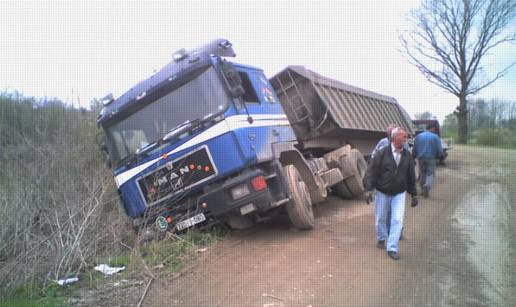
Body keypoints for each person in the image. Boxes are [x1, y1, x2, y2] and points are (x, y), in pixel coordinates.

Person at [364, 127, 418, 260]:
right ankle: (382, 238)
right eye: (403, 137)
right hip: (382, 191)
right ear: (394, 138)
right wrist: (368, 189)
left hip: (399, 193)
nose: (405, 140)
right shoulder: (382, 154)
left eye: (406, 137)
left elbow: (411, 175)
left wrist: (414, 193)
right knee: (381, 218)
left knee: (397, 220)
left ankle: (392, 247)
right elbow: (371, 172)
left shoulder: (408, 156)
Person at [413, 123, 444, 198]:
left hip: (420, 158)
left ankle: (422, 190)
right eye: (435, 129)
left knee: (422, 173)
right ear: (432, 128)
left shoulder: (418, 136)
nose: (435, 130)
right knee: (430, 173)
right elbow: (439, 149)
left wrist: (414, 156)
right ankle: (427, 185)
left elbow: (415, 147)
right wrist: (441, 156)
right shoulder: (435, 137)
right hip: (431, 158)